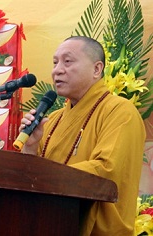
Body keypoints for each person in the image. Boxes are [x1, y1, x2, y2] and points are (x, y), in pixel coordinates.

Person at [20, 36, 146, 235]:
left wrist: (45, 177)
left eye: (67, 61)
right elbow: (30, 179)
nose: (57, 70)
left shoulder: (120, 112)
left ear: (97, 69)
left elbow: (105, 170)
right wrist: (31, 147)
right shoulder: (52, 120)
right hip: (51, 224)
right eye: (55, 62)